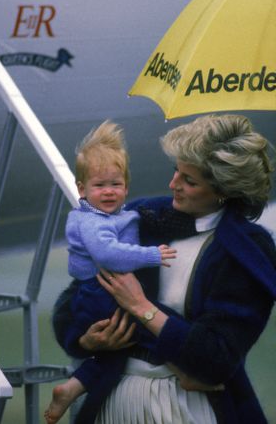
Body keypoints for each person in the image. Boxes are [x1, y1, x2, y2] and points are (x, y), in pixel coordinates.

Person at [51, 113, 276, 424]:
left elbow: (217, 357)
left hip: (192, 407)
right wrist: (84, 339)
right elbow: (78, 293)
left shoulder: (246, 251)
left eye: (189, 180)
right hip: (115, 396)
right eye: (176, 172)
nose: (173, 184)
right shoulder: (142, 217)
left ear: (225, 190)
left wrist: (141, 307)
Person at [45, 120, 182, 424]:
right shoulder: (91, 221)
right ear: (81, 190)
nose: (108, 192)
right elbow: (108, 255)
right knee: (155, 331)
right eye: (99, 186)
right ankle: (191, 365)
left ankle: (72, 389)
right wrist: (151, 255)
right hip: (99, 293)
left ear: (126, 186)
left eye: (115, 184)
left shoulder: (115, 215)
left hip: (101, 291)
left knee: (114, 356)